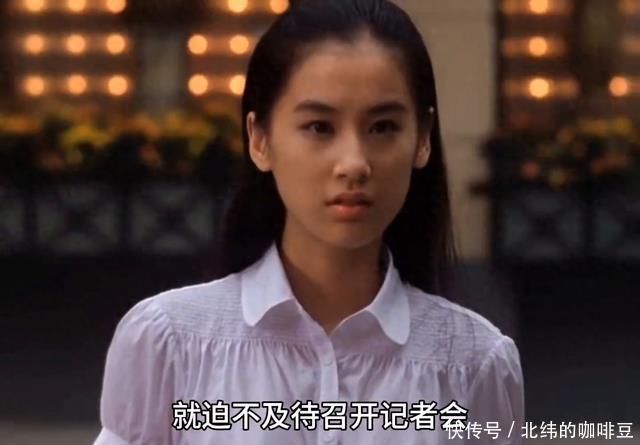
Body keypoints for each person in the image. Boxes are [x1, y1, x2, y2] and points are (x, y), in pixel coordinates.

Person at [93, 0, 525, 443]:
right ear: (259, 139)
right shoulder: (172, 342)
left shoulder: (474, 364)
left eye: (383, 128)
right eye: (320, 127)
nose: (353, 163)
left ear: (422, 138)